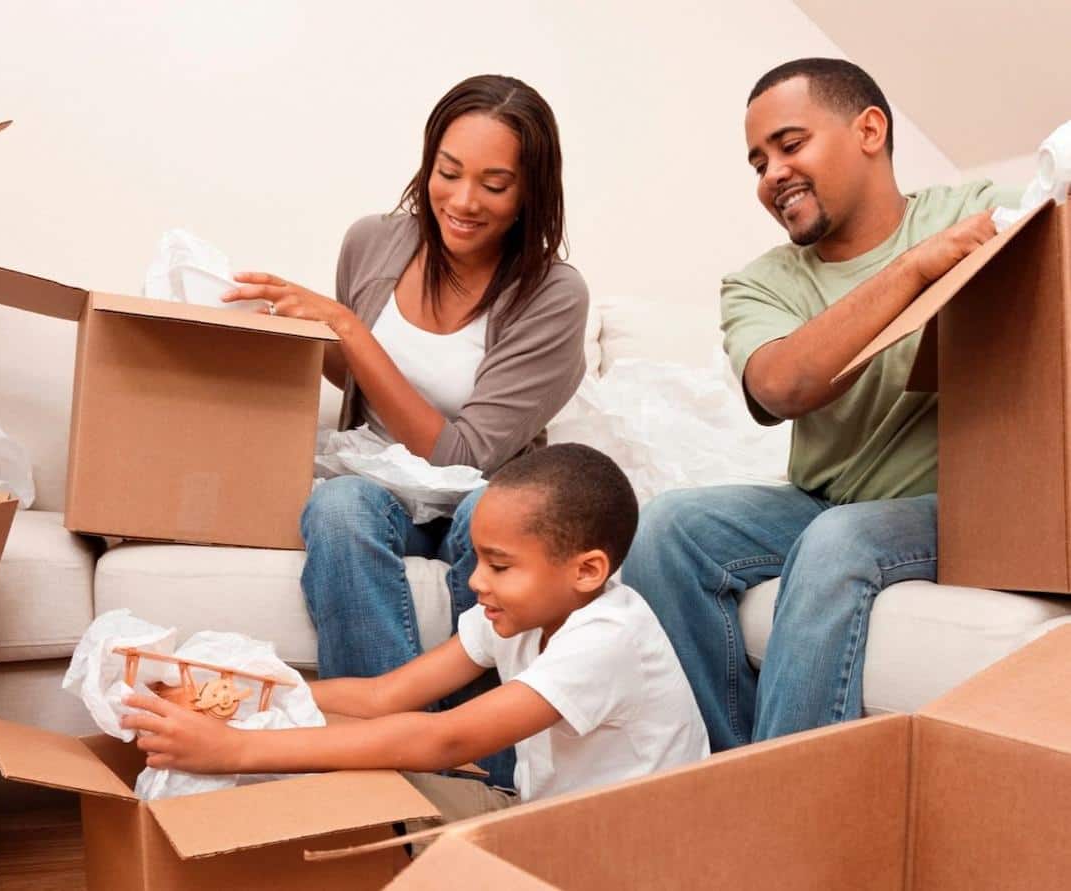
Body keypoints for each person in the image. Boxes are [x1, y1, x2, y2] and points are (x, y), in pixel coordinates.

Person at [622, 58, 1021, 752]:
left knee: (836, 544)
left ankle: (781, 807)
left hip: (951, 503)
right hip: (821, 497)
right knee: (665, 527)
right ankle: (735, 774)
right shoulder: (758, 284)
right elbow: (782, 387)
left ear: (869, 130)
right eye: (756, 162)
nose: (771, 174)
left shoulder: (967, 212)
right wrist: (914, 268)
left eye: (789, 144)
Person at [223, 75, 589, 787]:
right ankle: (386, 774)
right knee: (337, 506)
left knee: (494, 521)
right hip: (377, 479)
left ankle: (487, 775)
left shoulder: (553, 293)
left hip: (486, 490)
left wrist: (347, 328)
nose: (461, 200)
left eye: (494, 183)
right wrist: (285, 333)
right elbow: (356, 379)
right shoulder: (373, 242)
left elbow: (463, 453)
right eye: (447, 173)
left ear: (530, 195)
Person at [121, 445, 708, 822]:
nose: (476, 581)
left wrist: (238, 749)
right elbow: (382, 697)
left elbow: (447, 740)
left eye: (499, 566)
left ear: (587, 571)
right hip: (541, 817)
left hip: (618, 857)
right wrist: (243, 693)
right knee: (328, 786)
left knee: (342, 799)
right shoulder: (518, 614)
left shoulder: (609, 638)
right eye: (476, 559)